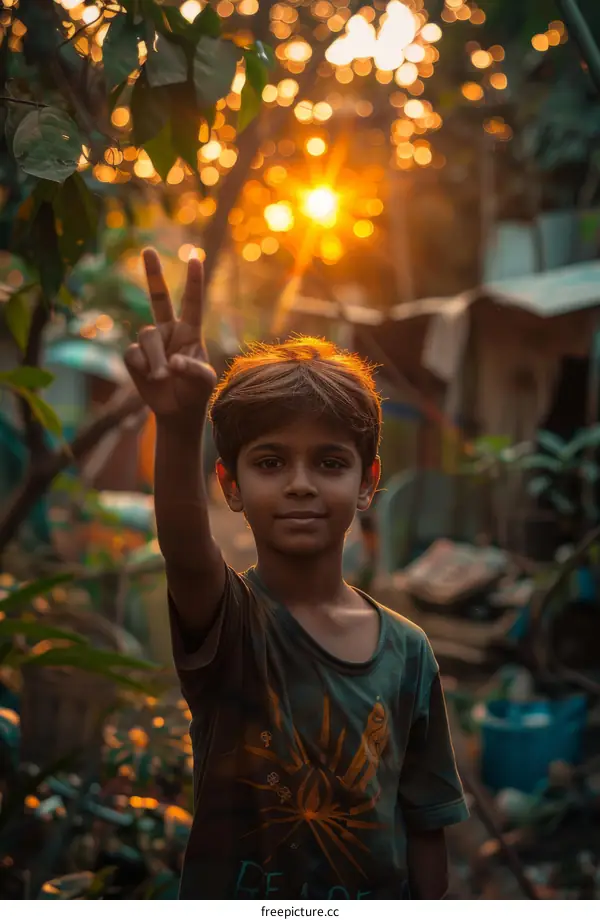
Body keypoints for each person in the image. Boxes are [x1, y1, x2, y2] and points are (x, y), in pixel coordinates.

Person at [125, 250, 469, 901]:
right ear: (230, 484)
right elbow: (185, 548)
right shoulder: (230, 621)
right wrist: (176, 426)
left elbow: (426, 827)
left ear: (367, 484)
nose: (302, 485)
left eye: (330, 462)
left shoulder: (409, 652)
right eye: (272, 462)